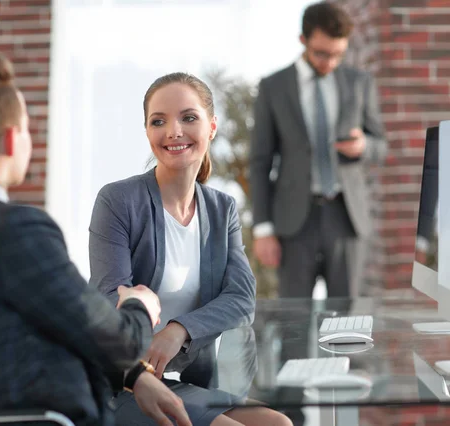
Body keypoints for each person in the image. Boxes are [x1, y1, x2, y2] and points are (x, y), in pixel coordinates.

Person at [0, 46, 192, 426]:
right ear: (12, 140)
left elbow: (41, 330)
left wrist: (133, 376)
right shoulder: (15, 229)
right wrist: (140, 306)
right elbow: (121, 338)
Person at [89, 72, 292, 426]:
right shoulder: (118, 201)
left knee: (279, 424)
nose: (173, 131)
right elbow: (109, 299)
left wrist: (179, 329)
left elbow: (242, 299)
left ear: (211, 127)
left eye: (188, 117)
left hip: (179, 380)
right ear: (148, 132)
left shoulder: (221, 209)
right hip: (122, 381)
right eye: (158, 121)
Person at [250, 1, 387, 298]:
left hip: (346, 216)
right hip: (295, 221)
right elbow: (260, 161)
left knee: (348, 325)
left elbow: (381, 144)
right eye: (322, 53)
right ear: (303, 41)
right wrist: (262, 229)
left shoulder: (359, 83)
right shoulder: (273, 86)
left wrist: (364, 146)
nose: (330, 62)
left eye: (338, 54)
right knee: (294, 326)